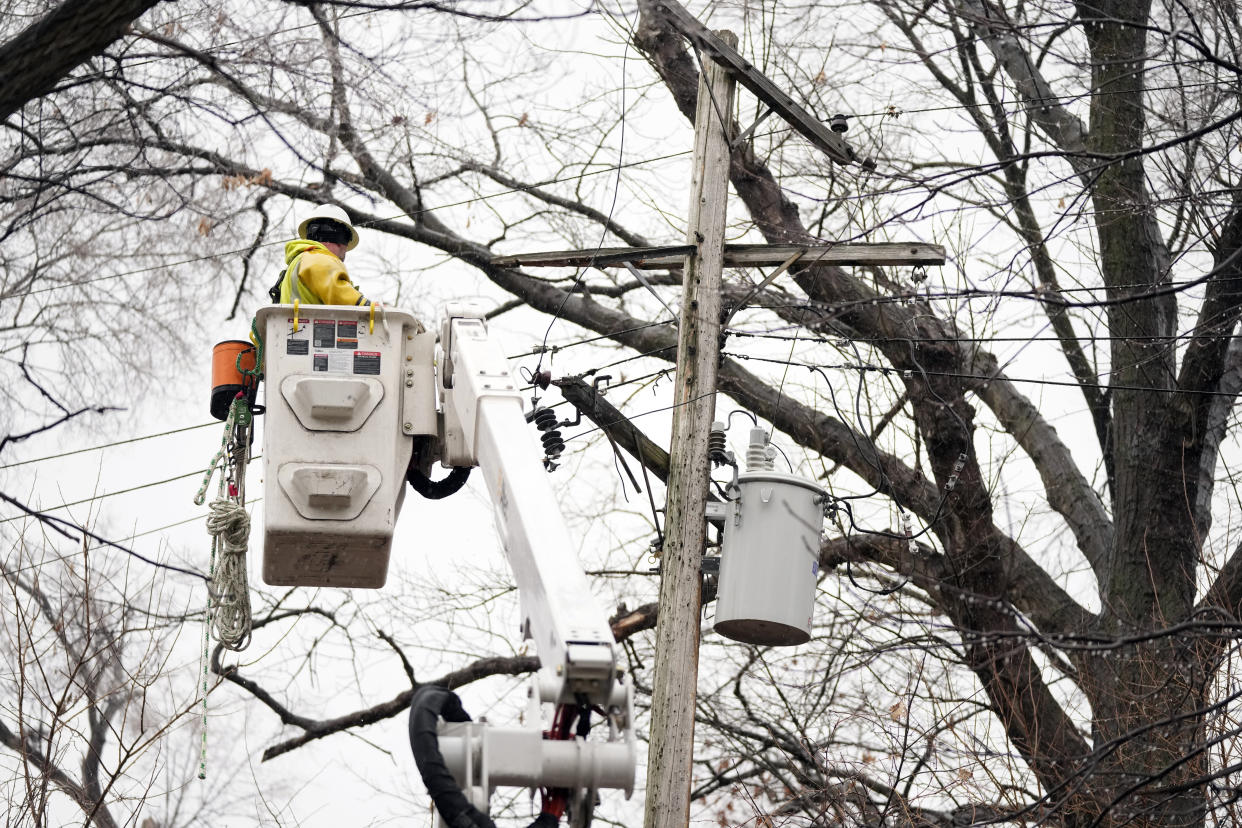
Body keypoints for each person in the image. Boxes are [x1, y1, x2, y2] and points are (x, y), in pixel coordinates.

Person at [276, 204, 371, 306]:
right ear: (339, 239)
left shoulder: (301, 261)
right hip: (305, 322)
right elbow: (340, 294)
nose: (346, 250)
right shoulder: (317, 258)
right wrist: (369, 307)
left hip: (301, 320)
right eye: (347, 240)